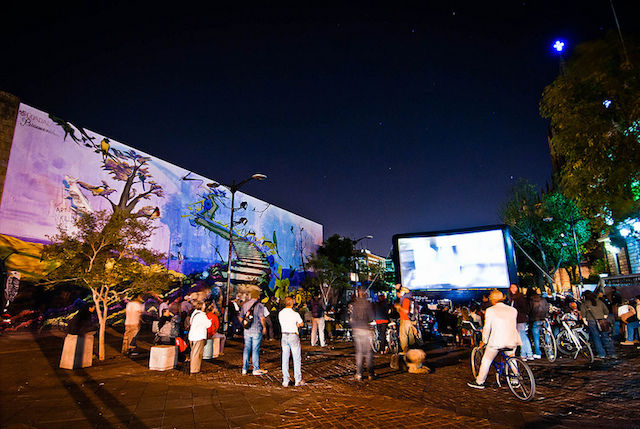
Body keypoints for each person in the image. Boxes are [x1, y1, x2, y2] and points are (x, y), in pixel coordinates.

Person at [467, 289, 521, 389]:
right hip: (512, 339)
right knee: (512, 359)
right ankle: (515, 379)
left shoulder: (490, 311)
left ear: (492, 300)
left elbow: (487, 327)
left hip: (497, 340)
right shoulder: (513, 310)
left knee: (486, 360)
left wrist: (484, 341)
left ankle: (479, 381)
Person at [581, 290, 617, 359]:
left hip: (591, 322)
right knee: (606, 337)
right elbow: (606, 312)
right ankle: (612, 353)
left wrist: (586, 323)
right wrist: (603, 318)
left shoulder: (584, 304)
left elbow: (583, 316)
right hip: (602, 321)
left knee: (596, 338)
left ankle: (601, 354)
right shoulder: (600, 302)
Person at [239, 289, 268, 375]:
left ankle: (244, 368)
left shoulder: (245, 305)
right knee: (255, 349)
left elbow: (240, 316)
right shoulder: (259, 305)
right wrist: (264, 327)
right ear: (258, 296)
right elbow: (262, 318)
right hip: (256, 329)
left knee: (246, 348)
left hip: (247, 330)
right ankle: (255, 368)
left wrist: (244, 324)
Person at [278, 296, 305, 387]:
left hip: (284, 335)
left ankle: (285, 380)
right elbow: (301, 323)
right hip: (293, 335)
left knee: (285, 358)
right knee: (296, 358)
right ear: (292, 303)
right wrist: (297, 325)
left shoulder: (280, 313)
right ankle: (298, 379)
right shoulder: (295, 314)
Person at [351, 288, 375, 380]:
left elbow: (352, 317)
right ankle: (370, 373)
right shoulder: (368, 305)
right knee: (368, 352)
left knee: (359, 352)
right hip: (365, 329)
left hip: (357, 329)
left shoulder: (354, 305)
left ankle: (359, 373)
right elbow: (372, 317)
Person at [508, 284, 533, 360]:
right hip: (518, 319)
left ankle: (528, 353)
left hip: (520, 319)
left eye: (514, 287)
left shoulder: (519, 297)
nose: (513, 289)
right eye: (511, 287)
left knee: (522, 336)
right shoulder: (514, 298)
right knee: (522, 336)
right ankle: (525, 354)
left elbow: (524, 308)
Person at [188, 300, 211, 374]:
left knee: (193, 353)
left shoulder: (194, 314)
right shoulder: (202, 315)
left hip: (192, 335)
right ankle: (194, 369)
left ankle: (194, 368)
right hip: (199, 336)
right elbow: (208, 324)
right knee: (197, 354)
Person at [528, 288, 549, 359]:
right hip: (543, 318)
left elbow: (529, 310)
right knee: (547, 335)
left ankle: (538, 353)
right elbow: (547, 307)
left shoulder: (530, 300)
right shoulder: (543, 299)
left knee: (536, 337)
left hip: (534, 319)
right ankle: (550, 352)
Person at [395, 286, 415, 354]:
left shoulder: (405, 300)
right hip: (408, 319)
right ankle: (412, 350)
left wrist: (399, 307)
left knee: (403, 335)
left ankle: (405, 350)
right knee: (410, 335)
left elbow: (406, 310)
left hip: (405, 319)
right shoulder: (408, 299)